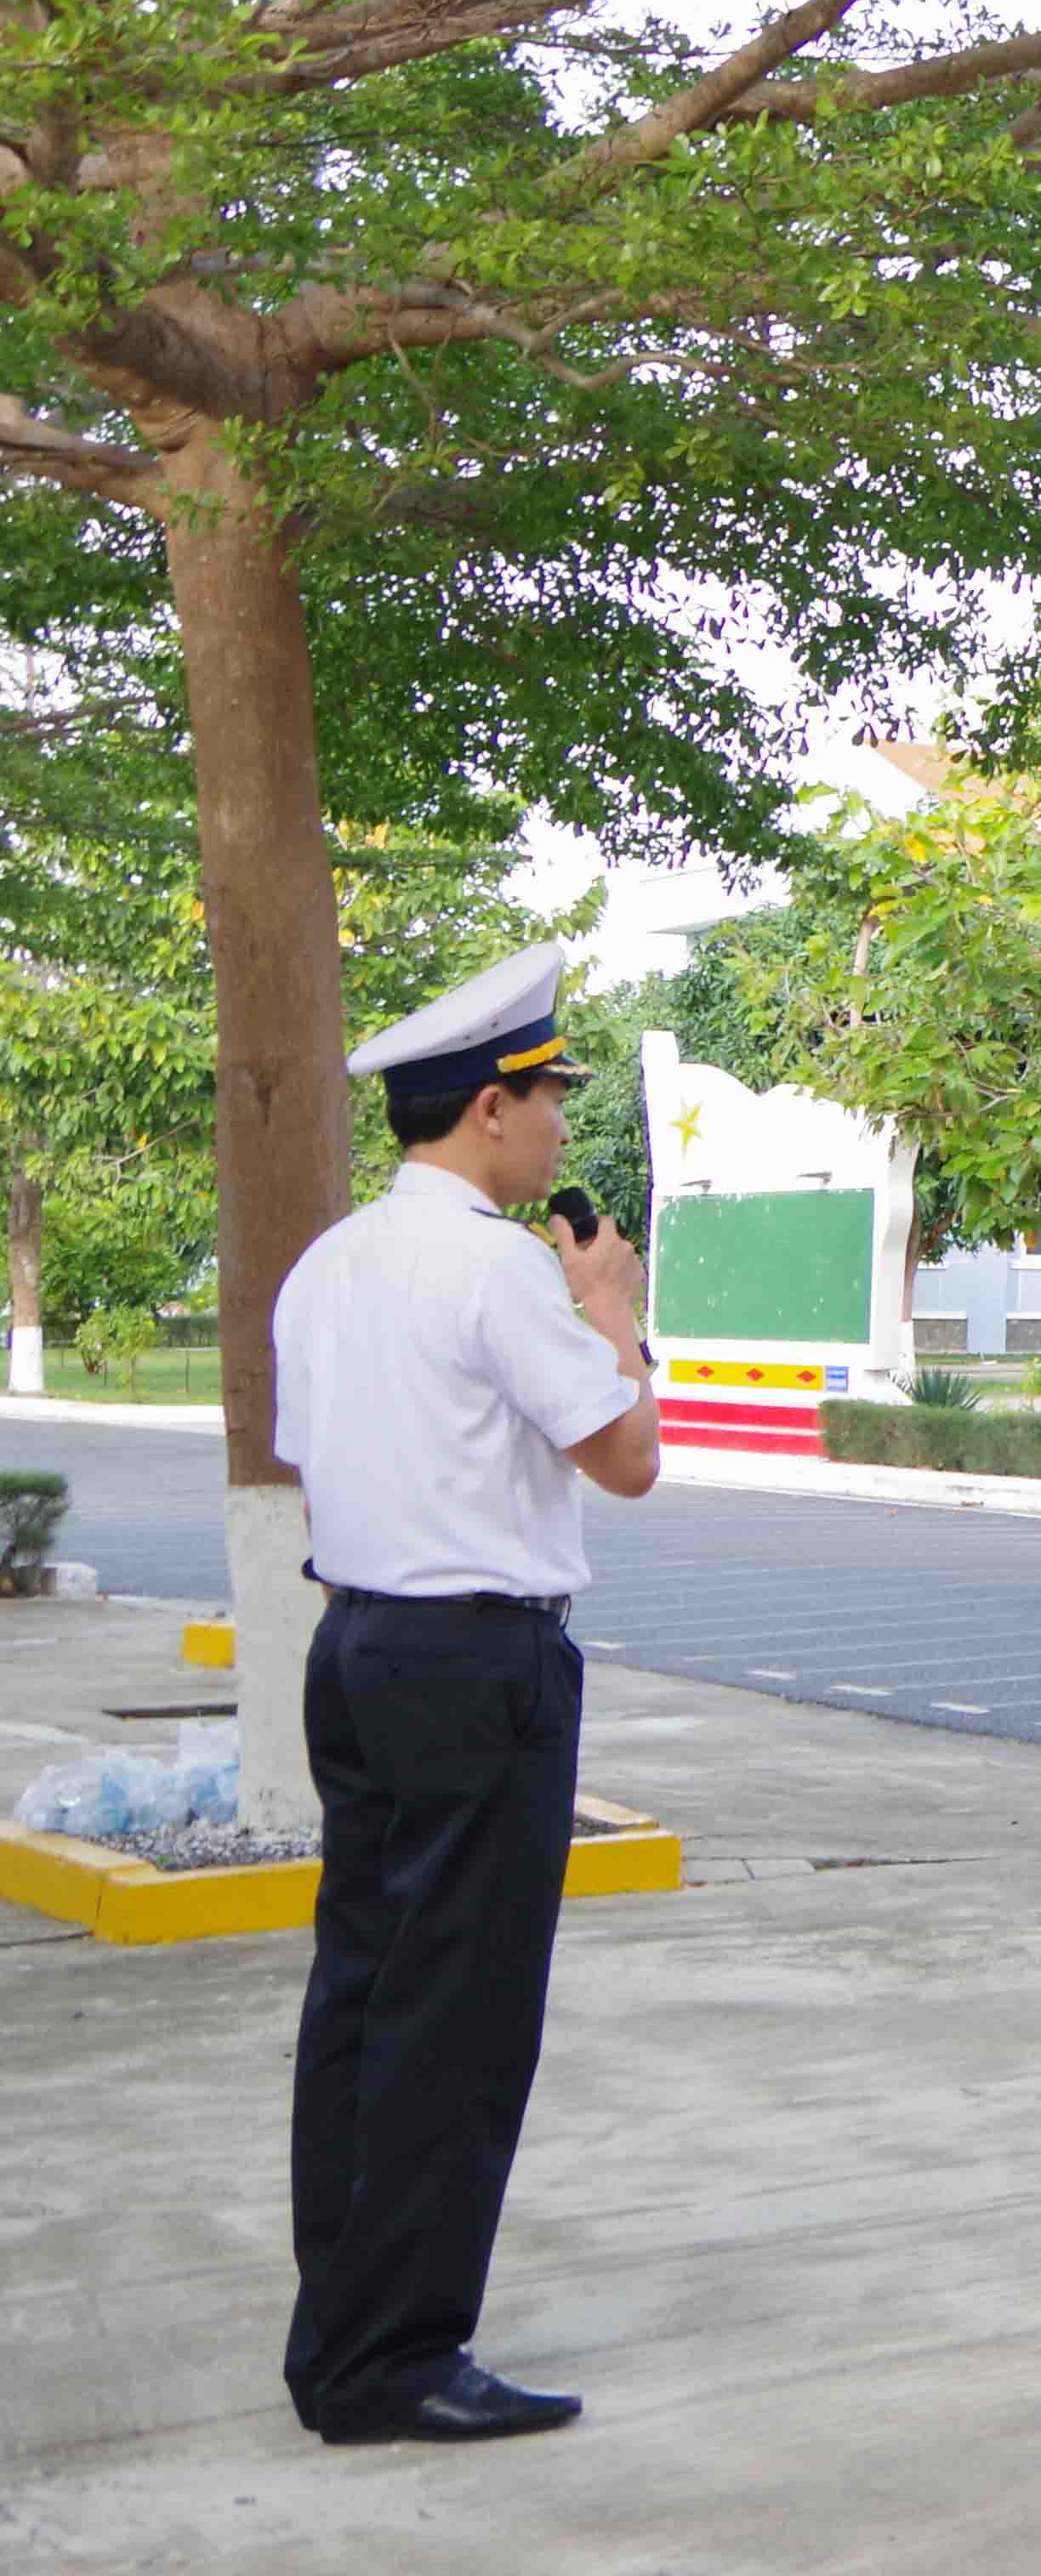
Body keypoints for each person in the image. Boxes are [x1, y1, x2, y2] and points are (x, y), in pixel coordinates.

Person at [276, 939, 653, 2448]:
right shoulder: (500, 1265)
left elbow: (315, 1455)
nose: (563, 1122)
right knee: (459, 2015)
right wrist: (612, 1308)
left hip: (357, 1647)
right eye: (550, 1093)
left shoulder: (333, 1259)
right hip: (475, 1661)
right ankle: (396, 2360)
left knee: (363, 1996)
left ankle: (344, 2334)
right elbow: (625, 1460)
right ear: (490, 1108)